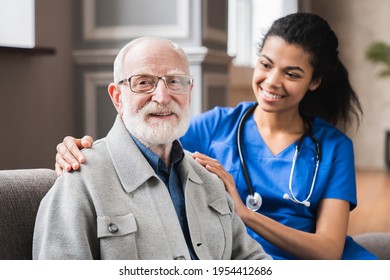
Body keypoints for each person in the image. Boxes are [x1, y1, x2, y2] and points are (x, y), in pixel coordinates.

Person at [54, 13, 378, 260]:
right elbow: (146, 143)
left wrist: (246, 214)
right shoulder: (216, 127)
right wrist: (82, 153)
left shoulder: (334, 147)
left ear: (315, 81)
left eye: (292, 74)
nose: (272, 82)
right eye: (266, 64)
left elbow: (327, 251)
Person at [33, 36, 271, 260]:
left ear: (189, 93)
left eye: (175, 81)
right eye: (144, 83)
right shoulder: (80, 181)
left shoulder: (209, 180)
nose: (163, 97)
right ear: (117, 97)